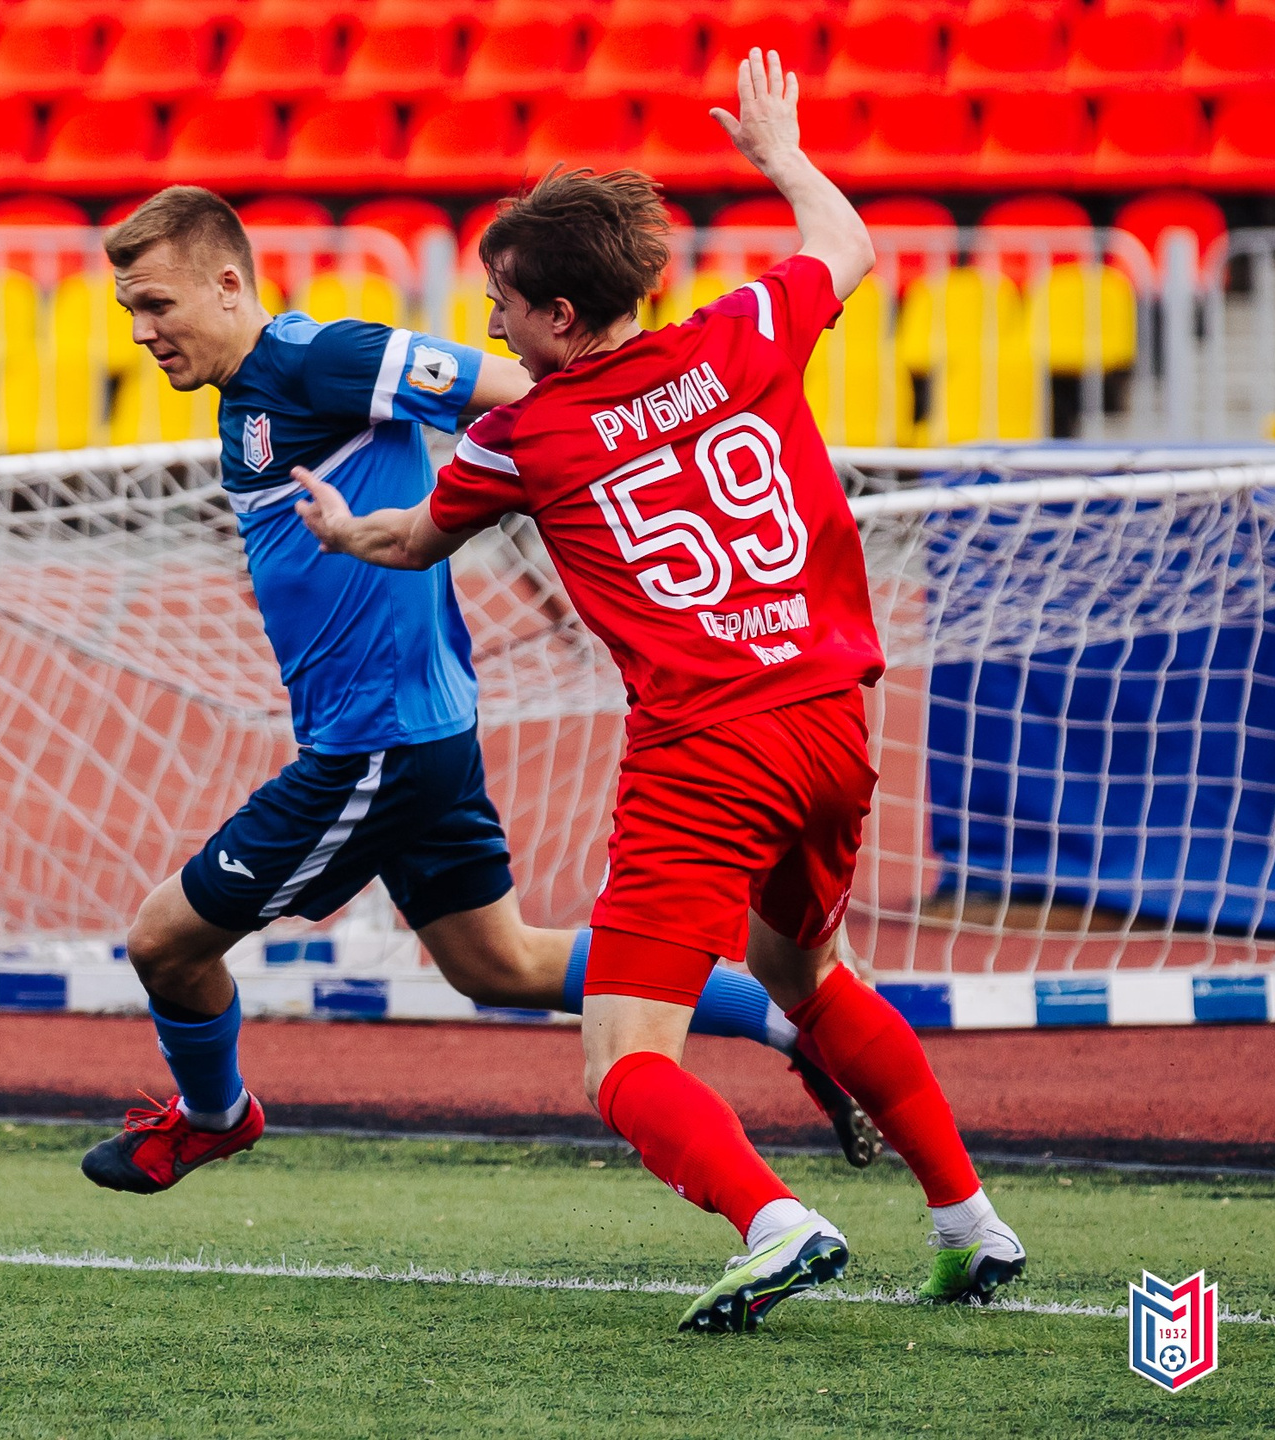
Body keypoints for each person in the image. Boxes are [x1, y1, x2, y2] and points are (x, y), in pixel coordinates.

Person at [293, 51, 1025, 1331]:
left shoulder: (524, 435)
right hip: (831, 723)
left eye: (504, 306)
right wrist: (779, 155)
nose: (491, 327)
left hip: (706, 750)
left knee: (625, 1056)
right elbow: (845, 245)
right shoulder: (740, 335)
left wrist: (344, 532)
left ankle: (776, 1222)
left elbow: (413, 540)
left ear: (564, 318)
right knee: (807, 974)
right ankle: (969, 1221)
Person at [78, 183, 884, 1201]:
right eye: (130, 315)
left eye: (159, 307)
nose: (145, 333)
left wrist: (581, 491)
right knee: (496, 964)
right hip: (416, 728)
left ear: (228, 283)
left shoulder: (321, 358)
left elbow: (518, 390)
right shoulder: (254, 391)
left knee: (163, 941)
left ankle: (211, 1117)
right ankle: (787, 1024)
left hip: (377, 744)